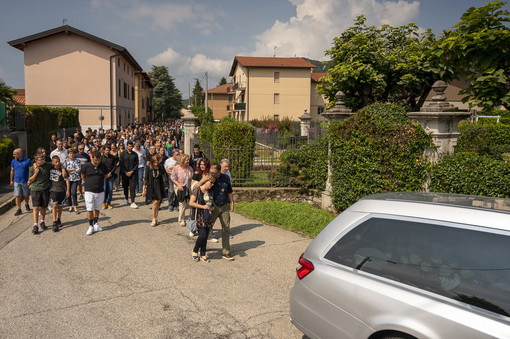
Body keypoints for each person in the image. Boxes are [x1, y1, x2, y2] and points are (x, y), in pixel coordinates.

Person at [209, 163, 235, 260]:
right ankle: (200, 248)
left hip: (224, 206)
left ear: (219, 172)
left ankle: (226, 251)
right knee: (207, 228)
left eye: (213, 172)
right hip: (213, 206)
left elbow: (229, 191)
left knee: (226, 229)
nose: (211, 173)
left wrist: (232, 203)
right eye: (210, 172)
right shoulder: (209, 178)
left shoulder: (226, 178)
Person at [190, 175, 216, 262]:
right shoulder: (197, 190)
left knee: (206, 236)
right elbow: (191, 203)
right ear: (205, 181)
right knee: (203, 235)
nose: (212, 185)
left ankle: (203, 253)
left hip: (208, 216)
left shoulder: (210, 192)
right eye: (211, 182)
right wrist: (203, 207)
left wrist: (211, 208)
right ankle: (195, 250)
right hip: (199, 216)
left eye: (213, 183)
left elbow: (212, 205)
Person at [81, 151, 108, 236]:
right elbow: (83, 176)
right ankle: (90, 226)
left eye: (99, 160)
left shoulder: (103, 166)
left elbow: (105, 176)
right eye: (96, 160)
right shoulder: (86, 166)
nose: (97, 162)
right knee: (89, 208)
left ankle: (96, 224)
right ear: (92, 158)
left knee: (97, 208)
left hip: (100, 190)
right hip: (89, 190)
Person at [28, 154, 52, 234]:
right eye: (41, 159)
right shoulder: (32, 168)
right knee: (35, 207)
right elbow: (30, 180)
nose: (43, 160)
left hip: (44, 189)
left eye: (43, 158)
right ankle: (35, 225)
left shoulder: (47, 165)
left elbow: (56, 163)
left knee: (43, 207)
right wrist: (36, 172)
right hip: (35, 189)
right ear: (36, 161)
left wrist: (62, 168)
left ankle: (42, 222)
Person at [142, 155, 168, 226]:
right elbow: (146, 179)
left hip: (159, 186)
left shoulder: (160, 167)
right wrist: (143, 190)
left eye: (157, 162)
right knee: (155, 202)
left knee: (158, 202)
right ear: (152, 162)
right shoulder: (149, 168)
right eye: (155, 162)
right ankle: (153, 218)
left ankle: (156, 217)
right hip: (152, 187)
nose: (156, 163)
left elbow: (165, 174)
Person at [170, 154, 193, 227]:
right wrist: (178, 185)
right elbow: (172, 178)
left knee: (187, 204)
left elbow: (191, 179)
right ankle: (181, 219)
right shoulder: (176, 168)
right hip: (179, 188)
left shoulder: (190, 168)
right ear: (182, 161)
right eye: (187, 160)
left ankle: (189, 218)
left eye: (188, 160)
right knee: (182, 203)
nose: (188, 161)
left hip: (188, 188)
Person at [49, 155, 70, 232]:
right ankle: (54, 222)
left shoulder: (63, 169)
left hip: (61, 189)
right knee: (54, 205)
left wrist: (68, 190)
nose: (57, 163)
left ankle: (59, 219)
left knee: (60, 206)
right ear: (53, 162)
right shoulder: (50, 168)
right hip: (53, 189)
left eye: (58, 161)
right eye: (56, 162)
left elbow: (67, 179)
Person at [10, 148, 32, 216]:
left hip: (25, 181)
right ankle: (19, 209)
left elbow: (30, 171)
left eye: (15, 154)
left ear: (20, 154)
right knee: (17, 196)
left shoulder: (28, 160)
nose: (13, 155)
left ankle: (26, 204)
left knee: (26, 195)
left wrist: (30, 179)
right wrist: (11, 180)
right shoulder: (13, 161)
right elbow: (12, 171)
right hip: (16, 181)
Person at [119, 140, 139, 208]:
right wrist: (125, 172)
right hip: (125, 173)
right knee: (125, 186)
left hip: (132, 173)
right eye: (129, 146)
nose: (130, 147)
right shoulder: (123, 154)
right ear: (127, 146)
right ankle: (126, 198)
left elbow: (137, 164)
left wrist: (132, 171)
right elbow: (121, 164)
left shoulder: (135, 154)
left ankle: (133, 201)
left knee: (132, 187)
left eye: (131, 146)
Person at [63, 149, 81, 214]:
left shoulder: (77, 160)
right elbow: (64, 170)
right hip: (67, 179)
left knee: (73, 192)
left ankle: (75, 206)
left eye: (73, 153)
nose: (71, 155)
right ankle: (70, 205)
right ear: (68, 154)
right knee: (68, 193)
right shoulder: (65, 161)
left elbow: (78, 169)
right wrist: (72, 170)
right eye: (70, 153)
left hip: (75, 179)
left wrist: (69, 171)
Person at [101, 144, 118, 209]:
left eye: (108, 150)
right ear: (104, 150)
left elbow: (115, 166)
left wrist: (110, 173)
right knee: (104, 189)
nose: (107, 151)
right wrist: (104, 174)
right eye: (106, 150)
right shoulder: (101, 157)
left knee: (110, 189)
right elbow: (100, 166)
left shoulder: (112, 157)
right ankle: (103, 202)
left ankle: (109, 203)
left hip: (111, 175)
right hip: (104, 176)